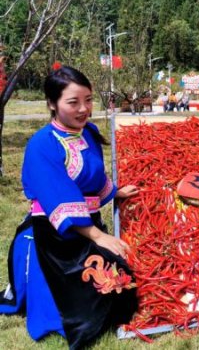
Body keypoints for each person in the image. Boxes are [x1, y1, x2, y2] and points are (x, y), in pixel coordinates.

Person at [0, 66, 139, 349]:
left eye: (88, 100)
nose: (84, 109)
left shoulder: (89, 132)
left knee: (125, 284)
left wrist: (115, 192)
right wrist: (98, 236)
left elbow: (94, 177)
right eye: (73, 102)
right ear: (52, 103)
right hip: (56, 235)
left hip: (87, 225)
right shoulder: (43, 144)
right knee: (94, 302)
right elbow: (58, 197)